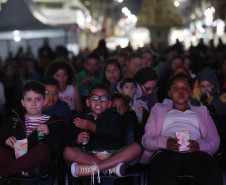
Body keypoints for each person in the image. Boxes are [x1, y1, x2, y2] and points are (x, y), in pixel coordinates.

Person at [140, 73, 222, 185]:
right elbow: (146, 140)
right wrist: (166, 142)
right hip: (166, 151)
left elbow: (215, 141)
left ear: (191, 93)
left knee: (211, 168)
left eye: (185, 88)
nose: (181, 91)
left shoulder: (203, 112)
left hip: (195, 152)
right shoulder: (158, 109)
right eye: (176, 88)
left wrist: (199, 146)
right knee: (162, 166)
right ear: (169, 93)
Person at [63, 83, 142, 181]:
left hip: (114, 155)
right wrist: (77, 140)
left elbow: (115, 135)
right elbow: (71, 139)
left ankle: (94, 169)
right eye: (95, 98)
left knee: (136, 148)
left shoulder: (114, 116)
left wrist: (92, 127)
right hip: (89, 155)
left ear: (109, 104)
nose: (99, 101)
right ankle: (110, 168)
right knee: (68, 151)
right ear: (88, 102)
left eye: (103, 99)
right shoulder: (80, 117)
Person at [0, 80, 71, 178]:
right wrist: (6, 140)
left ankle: (5, 172)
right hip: (16, 160)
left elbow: (60, 150)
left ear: (44, 101)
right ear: (23, 102)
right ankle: (21, 171)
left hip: (40, 165)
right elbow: (2, 137)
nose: (33, 103)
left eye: (37, 99)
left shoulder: (55, 122)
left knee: (43, 149)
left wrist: (49, 134)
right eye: (29, 99)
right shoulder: (13, 119)